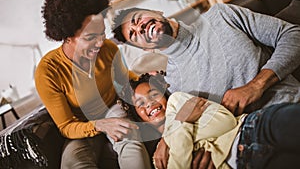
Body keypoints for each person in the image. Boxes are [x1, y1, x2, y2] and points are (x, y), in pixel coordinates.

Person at [112, 4, 300, 168]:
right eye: (134, 34)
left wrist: (256, 85)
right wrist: (170, 143)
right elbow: (188, 128)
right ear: (146, 48)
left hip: (289, 108)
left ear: (156, 11)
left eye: (138, 19)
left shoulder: (221, 16)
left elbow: (293, 35)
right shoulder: (175, 85)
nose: (140, 28)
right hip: (247, 147)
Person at [35, 0, 151, 169]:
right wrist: (99, 125)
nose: (100, 43)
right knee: (73, 163)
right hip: (81, 125)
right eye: (90, 37)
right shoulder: (48, 72)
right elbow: (66, 126)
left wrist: (144, 82)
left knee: (131, 144)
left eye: (102, 33)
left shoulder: (108, 50)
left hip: (113, 108)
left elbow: (124, 80)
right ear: (67, 36)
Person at [120, 72, 300, 169]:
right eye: (140, 103)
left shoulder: (179, 102)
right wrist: (182, 125)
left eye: (154, 94)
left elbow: (225, 122)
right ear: (139, 117)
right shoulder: (157, 160)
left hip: (253, 128)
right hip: (244, 163)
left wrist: (180, 126)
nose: (150, 103)